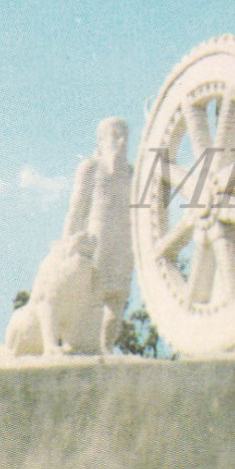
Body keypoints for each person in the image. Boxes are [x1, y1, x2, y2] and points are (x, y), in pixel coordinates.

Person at [61, 116, 135, 354]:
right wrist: (65, 246)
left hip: (125, 240)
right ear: (101, 139)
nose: (121, 141)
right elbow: (77, 210)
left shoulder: (133, 173)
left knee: (118, 299)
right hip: (97, 238)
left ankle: (107, 350)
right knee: (89, 295)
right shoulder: (90, 168)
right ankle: (77, 346)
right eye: (115, 135)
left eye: (124, 136)